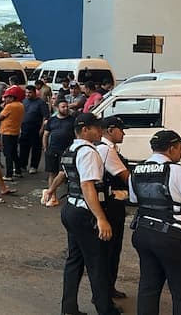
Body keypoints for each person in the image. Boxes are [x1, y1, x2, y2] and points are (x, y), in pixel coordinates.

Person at [129, 130, 181, 315]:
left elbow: (134, 199)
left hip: (143, 233)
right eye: (179, 147)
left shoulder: (136, 171)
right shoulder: (180, 173)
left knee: (149, 287)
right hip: (173, 238)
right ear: (171, 149)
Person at [54, 113, 120, 315]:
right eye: (96, 127)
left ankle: (69, 308)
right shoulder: (89, 151)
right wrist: (101, 218)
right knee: (97, 262)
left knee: (75, 260)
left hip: (70, 210)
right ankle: (105, 309)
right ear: (85, 130)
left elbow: (64, 174)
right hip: (85, 212)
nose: (100, 131)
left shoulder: (71, 149)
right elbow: (87, 185)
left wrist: (50, 189)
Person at [97, 116, 130, 302]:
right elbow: (126, 177)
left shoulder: (107, 149)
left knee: (111, 251)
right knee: (110, 251)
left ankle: (108, 288)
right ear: (110, 130)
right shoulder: (107, 151)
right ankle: (104, 293)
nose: (123, 133)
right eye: (120, 129)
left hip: (110, 205)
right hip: (111, 206)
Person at [41, 100, 75, 206]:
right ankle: (53, 196)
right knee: (52, 173)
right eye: (63, 107)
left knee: (63, 173)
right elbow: (46, 135)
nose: (65, 109)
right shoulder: (52, 120)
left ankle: (49, 190)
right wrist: (45, 148)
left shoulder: (72, 120)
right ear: (57, 108)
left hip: (66, 152)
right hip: (52, 150)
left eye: (66, 106)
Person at [20, 85, 49, 175]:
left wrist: (42, 129)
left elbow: (45, 116)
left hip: (36, 128)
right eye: (26, 93)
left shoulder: (41, 103)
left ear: (34, 93)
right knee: (23, 147)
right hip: (24, 128)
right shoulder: (24, 102)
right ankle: (22, 165)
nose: (28, 94)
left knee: (36, 148)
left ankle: (34, 166)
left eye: (30, 93)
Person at [0, 87, 24, 180]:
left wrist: (4, 106)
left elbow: (0, 117)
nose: (5, 99)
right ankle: (18, 170)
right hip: (16, 131)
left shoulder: (9, 106)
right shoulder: (21, 105)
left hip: (7, 131)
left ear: (12, 98)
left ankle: (8, 174)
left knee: (8, 153)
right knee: (14, 152)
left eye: (7, 97)